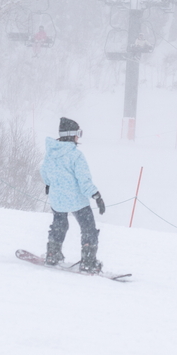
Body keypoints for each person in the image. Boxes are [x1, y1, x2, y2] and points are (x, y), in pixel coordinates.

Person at [41, 117, 107, 272]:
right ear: (72, 134)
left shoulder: (50, 153)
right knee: (88, 228)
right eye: (78, 133)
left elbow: (44, 172)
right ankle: (88, 262)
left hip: (58, 200)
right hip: (77, 200)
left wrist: (49, 184)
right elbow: (84, 181)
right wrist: (96, 195)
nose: (79, 137)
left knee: (59, 225)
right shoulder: (76, 155)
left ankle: (52, 254)